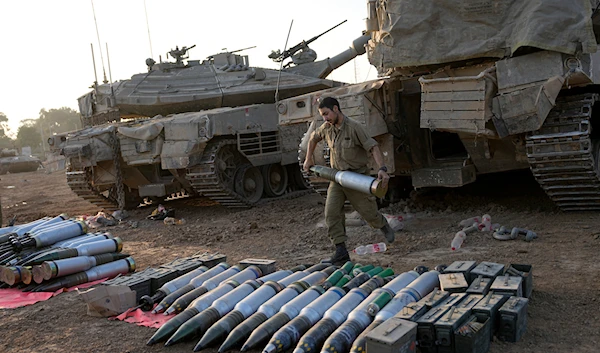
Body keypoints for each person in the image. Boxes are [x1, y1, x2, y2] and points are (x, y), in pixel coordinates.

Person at [303, 97, 395, 265]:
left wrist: (382, 169)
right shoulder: (326, 128)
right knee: (331, 214)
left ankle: (382, 224)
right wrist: (308, 159)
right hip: (337, 179)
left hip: (357, 179)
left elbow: (373, 147)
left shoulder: (354, 128)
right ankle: (341, 251)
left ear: (336, 109)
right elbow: (313, 138)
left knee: (369, 214)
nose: (325, 118)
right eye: (322, 115)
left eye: (326, 114)